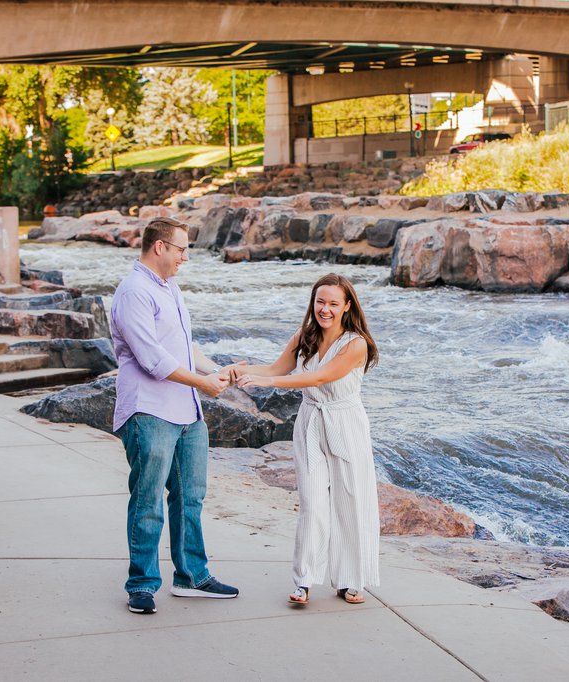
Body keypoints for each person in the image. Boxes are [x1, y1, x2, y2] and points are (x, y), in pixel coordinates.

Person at [110, 216, 240, 615]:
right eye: (182, 248)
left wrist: (215, 370)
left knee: (190, 497)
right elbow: (152, 360)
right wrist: (204, 385)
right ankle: (143, 584)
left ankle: (191, 577)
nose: (186, 256)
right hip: (150, 409)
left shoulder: (170, 288)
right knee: (148, 500)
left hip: (186, 410)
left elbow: (184, 348)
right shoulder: (133, 292)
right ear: (159, 247)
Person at [233, 273, 380, 606]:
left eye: (332, 303)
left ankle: (350, 579)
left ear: (346, 307)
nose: (324, 309)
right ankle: (304, 580)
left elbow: (316, 376)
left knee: (351, 501)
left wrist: (264, 383)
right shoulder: (305, 335)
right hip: (312, 420)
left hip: (346, 423)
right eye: (320, 302)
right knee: (313, 502)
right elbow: (276, 369)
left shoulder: (356, 344)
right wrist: (242, 371)